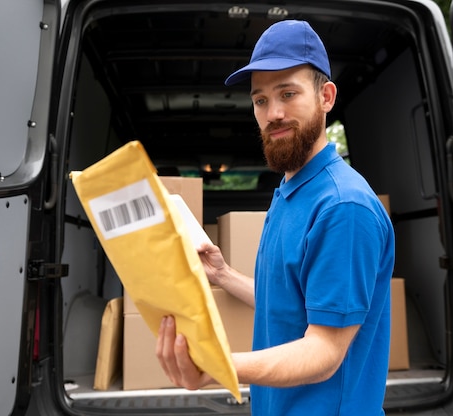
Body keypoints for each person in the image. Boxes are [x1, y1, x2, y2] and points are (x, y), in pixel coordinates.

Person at [156, 19, 395, 415]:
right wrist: (223, 275)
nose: (273, 113)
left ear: (326, 97)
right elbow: (291, 303)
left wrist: (217, 365)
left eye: (288, 93)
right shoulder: (291, 190)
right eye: (261, 100)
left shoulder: (343, 207)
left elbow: (324, 351)